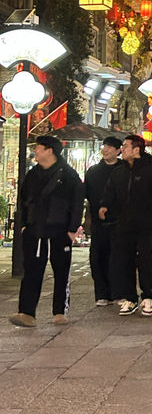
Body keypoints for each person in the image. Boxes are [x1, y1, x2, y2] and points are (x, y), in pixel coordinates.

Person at [9, 135, 84, 328]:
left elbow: (77, 202)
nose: (36, 151)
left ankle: (60, 311)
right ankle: (27, 312)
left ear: (49, 150)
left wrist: (72, 228)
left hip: (60, 230)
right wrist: (24, 224)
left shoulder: (68, 175)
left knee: (61, 271)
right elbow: (24, 199)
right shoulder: (33, 174)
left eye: (39, 148)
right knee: (32, 271)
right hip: (35, 230)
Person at [99, 134, 152, 317]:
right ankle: (130, 297)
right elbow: (110, 191)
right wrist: (105, 206)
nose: (123, 150)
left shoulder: (151, 172)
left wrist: (146, 204)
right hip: (123, 223)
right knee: (124, 259)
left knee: (145, 258)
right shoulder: (119, 172)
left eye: (126, 146)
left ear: (136, 149)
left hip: (144, 223)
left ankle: (147, 296)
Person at [84, 136, 122, 306]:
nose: (105, 150)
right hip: (98, 223)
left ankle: (117, 291)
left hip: (120, 222)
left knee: (118, 257)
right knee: (97, 257)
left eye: (110, 147)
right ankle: (101, 293)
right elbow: (86, 196)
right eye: (104, 146)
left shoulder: (124, 170)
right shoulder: (93, 171)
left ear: (118, 150)